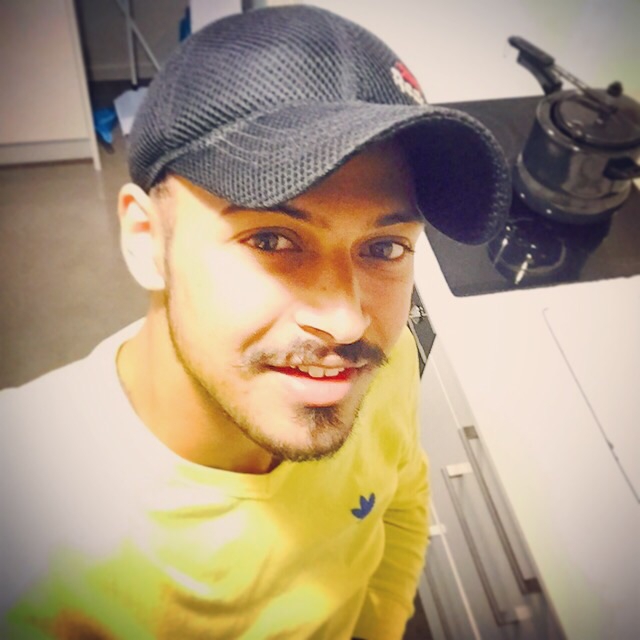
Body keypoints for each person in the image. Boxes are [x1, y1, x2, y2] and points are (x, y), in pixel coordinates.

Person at [0, 5, 510, 639]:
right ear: (146, 238)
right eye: (271, 239)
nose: (347, 322)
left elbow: (400, 495)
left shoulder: (386, 360)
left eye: (385, 247)